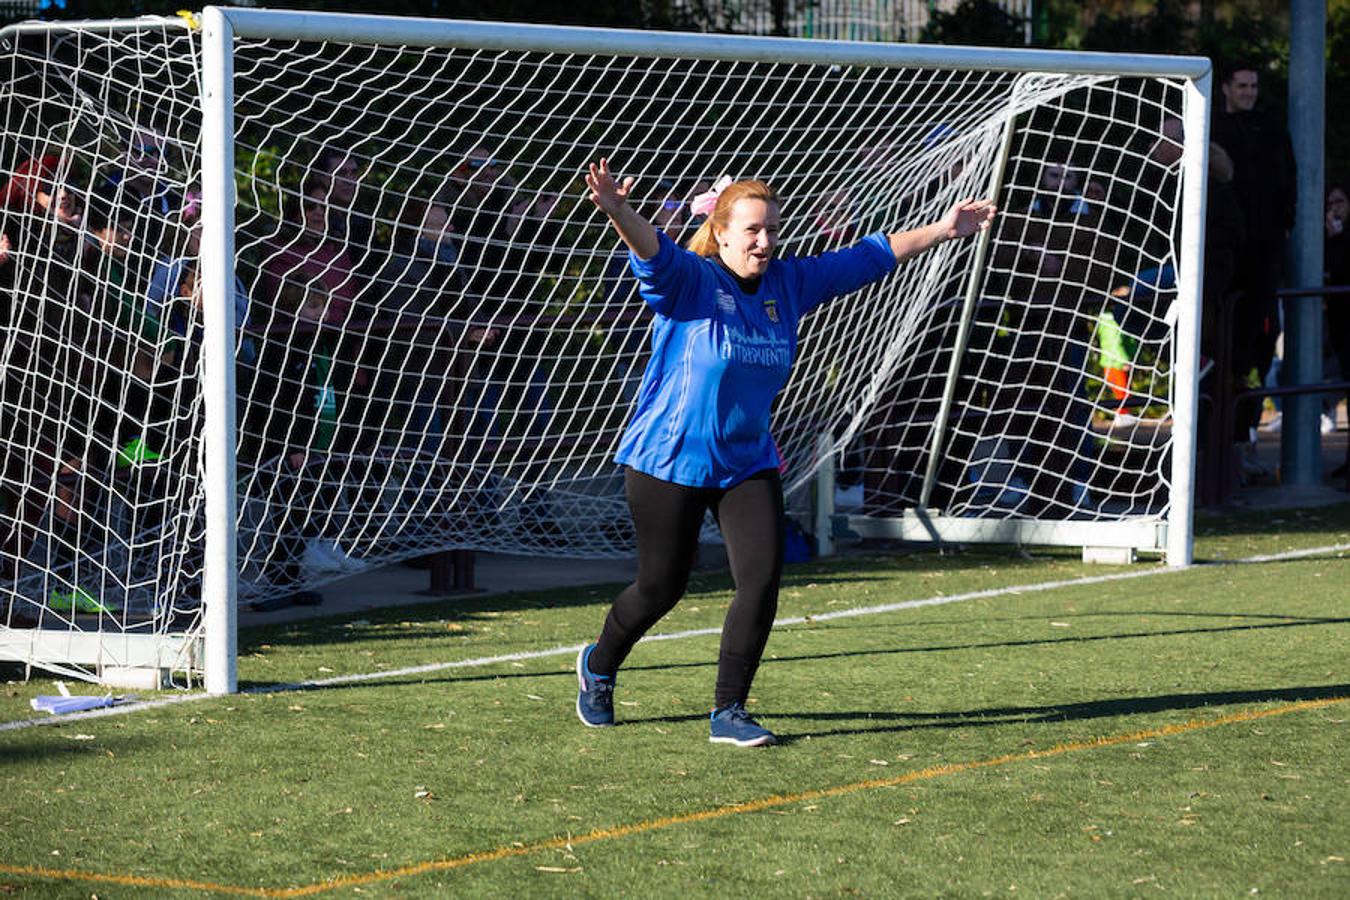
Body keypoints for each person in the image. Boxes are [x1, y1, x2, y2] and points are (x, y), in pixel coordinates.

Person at [574, 158, 995, 746]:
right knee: (661, 587)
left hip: (747, 461)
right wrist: (618, 210)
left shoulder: (788, 285)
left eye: (772, 228)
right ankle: (599, 665)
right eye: (752, 230)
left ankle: (730, 712)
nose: (765, 240)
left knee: (761, 578)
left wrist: (943, 230)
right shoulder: (692, 280)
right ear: (721, 232)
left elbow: (866, 257)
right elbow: (652, 250)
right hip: (667, 458)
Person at [1326, 182, 1349, 486]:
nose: (1333, 208)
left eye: (1340, 201)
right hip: (1340, 324)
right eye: (1330, 203)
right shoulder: (1328, 236)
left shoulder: (1342, 237)